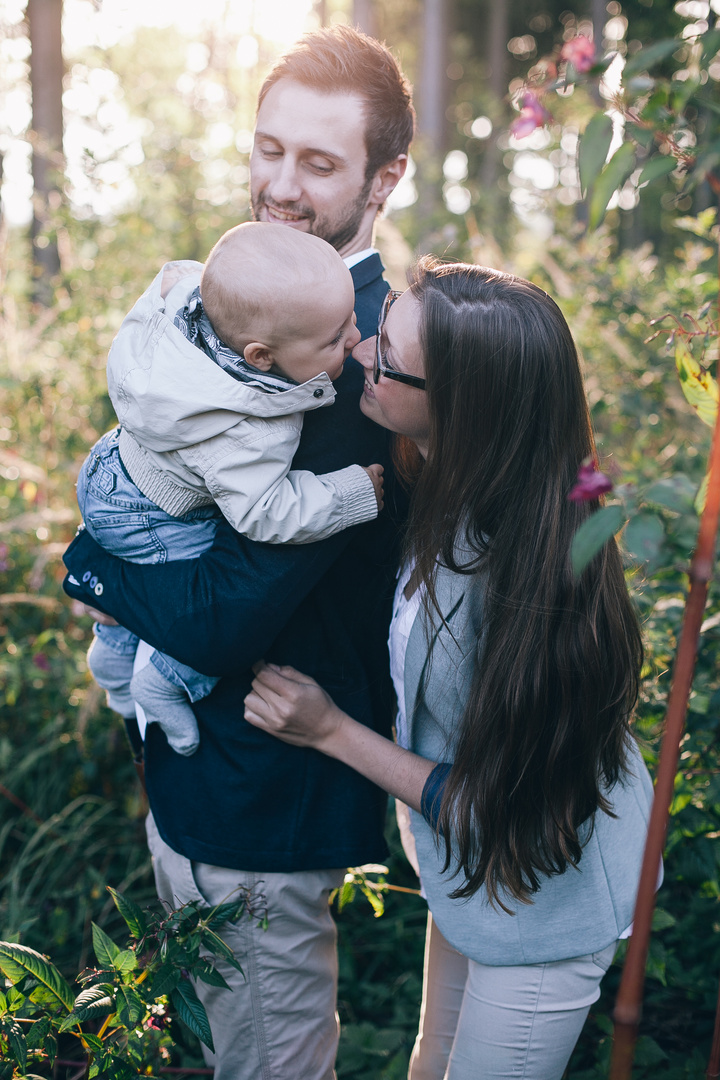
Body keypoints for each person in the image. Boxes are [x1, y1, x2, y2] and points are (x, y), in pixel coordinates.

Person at [63, 24, 415, 1080]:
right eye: (269, 149)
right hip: (201, 774)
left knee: (271, 1061)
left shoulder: (360, 359)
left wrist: (89, 563)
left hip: (266, 786)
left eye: (319, 162)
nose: (281, 185)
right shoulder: (242, 299)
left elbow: (223, 616)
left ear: (384, 178)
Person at [243, 259, 655, 1080]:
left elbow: (506, 810)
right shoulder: (459, 478)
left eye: (388, 355)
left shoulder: (528, 585)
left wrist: (328, 731)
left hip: (543, 905)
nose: (361, 351)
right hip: (470, 875)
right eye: (384, 318)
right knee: (429, 1063)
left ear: (462, 407)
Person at [77, 222, 383, 756]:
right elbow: (265, 513)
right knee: (192, 589)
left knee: (142, 581)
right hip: (153, 515)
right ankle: (168, 677)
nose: (357, 339)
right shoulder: (246, 430)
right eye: (335, 339)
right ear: (261, 356)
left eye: (351, 319)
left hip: (107, 470)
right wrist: (352, 492)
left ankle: (111, 648)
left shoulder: (186, 311)